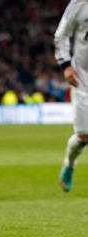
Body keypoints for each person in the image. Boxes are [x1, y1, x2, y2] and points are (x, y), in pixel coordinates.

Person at [55, 0, 88, 192]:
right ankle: (69, 163)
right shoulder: (80, 3)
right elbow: (61, 34)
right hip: (83, 77)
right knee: (84, 136)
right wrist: (66, 65)